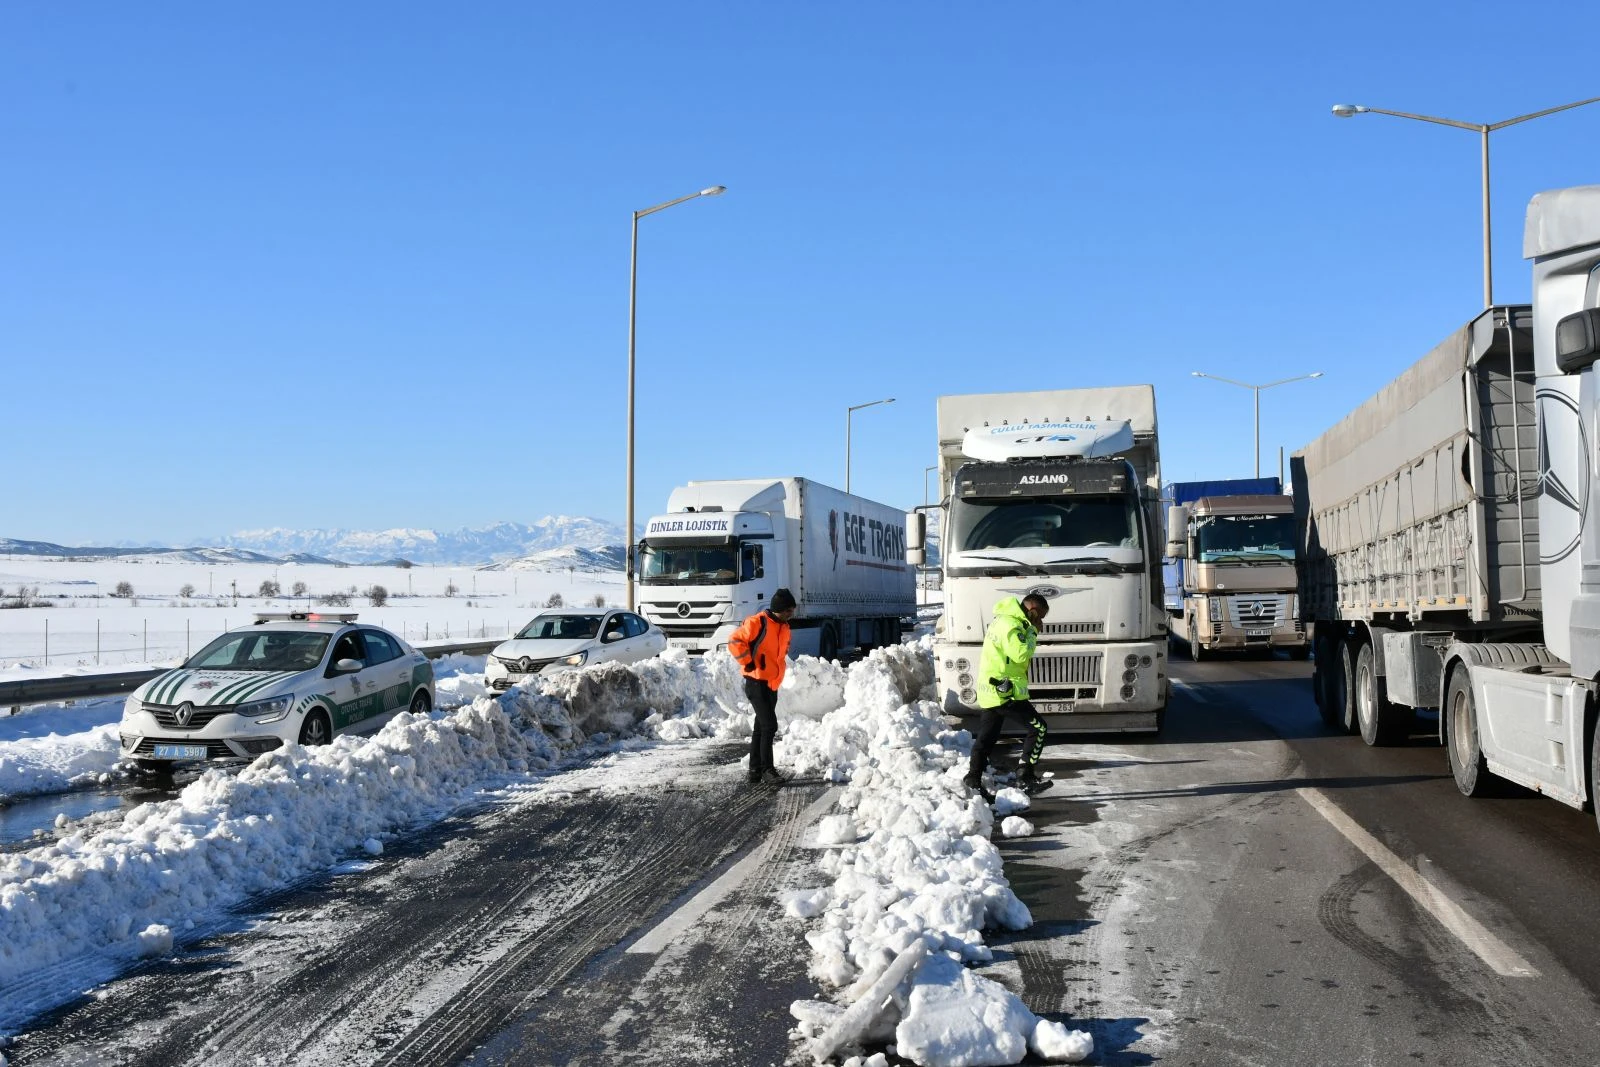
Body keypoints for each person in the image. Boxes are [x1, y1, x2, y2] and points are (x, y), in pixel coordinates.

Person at [964, 593, 1052, 801]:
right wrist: (1032, 632)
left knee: (987, 737)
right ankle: (1025, 776)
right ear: (1032, 610)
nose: (1041, 622)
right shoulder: (1012, 624)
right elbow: (1021, 654)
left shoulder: (1002, 620)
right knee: (1038, 728)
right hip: (1005, 691)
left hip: (992, 690)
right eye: (1040, 616)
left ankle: (973, 778)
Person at [728, 587, 797, 785]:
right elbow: (734, 640)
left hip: (771, 683)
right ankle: (768, 770)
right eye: (788, 611)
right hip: (756, 682)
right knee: (769, 725)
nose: (791, 614)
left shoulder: (783, 627)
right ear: (779, 609)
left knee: (760, 727)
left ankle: (755, 771)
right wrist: (747, 661)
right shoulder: (758, 622)